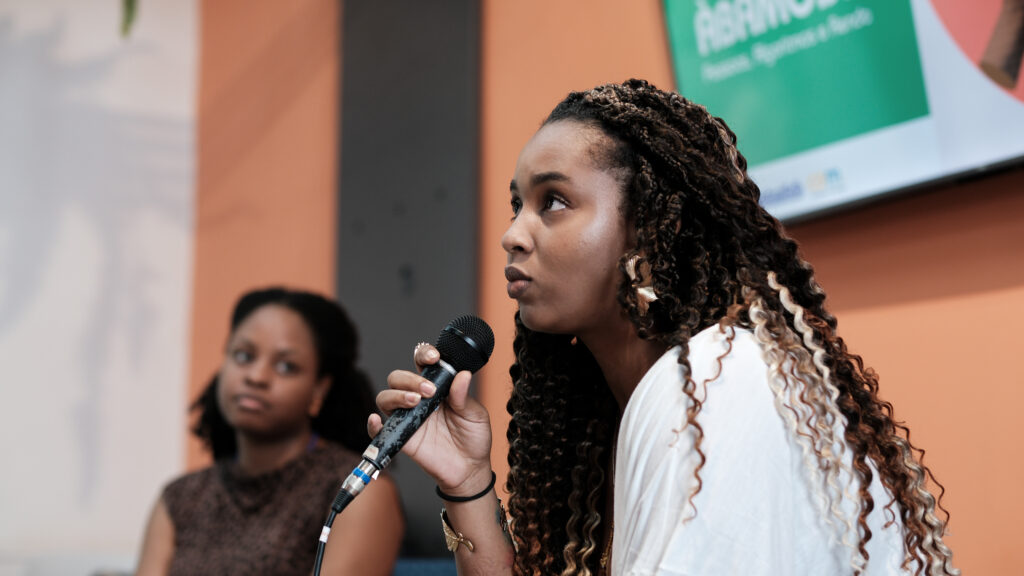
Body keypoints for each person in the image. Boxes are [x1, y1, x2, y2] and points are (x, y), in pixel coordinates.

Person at [371, 79, 958, 575]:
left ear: (651, 229)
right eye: (516, 205)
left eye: (553, 202)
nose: (514, 234)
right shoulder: (644, 403)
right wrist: (467, 481)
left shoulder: (712, 388)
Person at [137, 287, 403, 576]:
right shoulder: (180, 498)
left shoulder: (355, 490)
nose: (256, 376)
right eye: (243, 356)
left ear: (319, 390)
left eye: (286, 366)